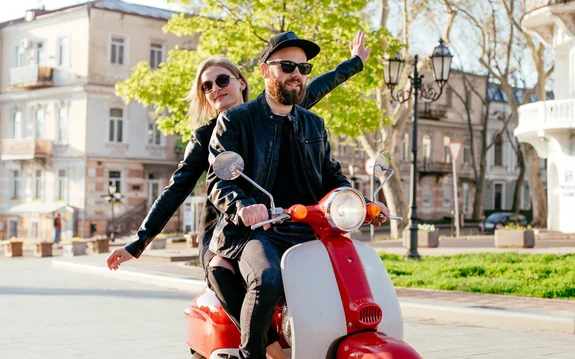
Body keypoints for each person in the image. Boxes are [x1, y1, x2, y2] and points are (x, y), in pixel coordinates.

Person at [106, 31, 371, 358]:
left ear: (242, 81)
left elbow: (316, 85)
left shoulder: (287, 112)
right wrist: (138, 242)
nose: (215, 88)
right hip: (225, 225)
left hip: (280, 222)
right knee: (225, 270)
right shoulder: (208, 135)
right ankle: (268, 347)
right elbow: (177, 190)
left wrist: (355, 62)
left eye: (221, 80)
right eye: (206, 86)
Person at [206, 31, 389, 359]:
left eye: (304, 69)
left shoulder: (313, 124)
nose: (297, 74)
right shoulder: (235, 121)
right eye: (288, 66)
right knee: (267, 277)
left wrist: (360, 201)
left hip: (310, 229)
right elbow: (217, 183)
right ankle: (254, 355)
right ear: (265, 71)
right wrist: (244, 206)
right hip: (258, 231)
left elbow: (332, 177)